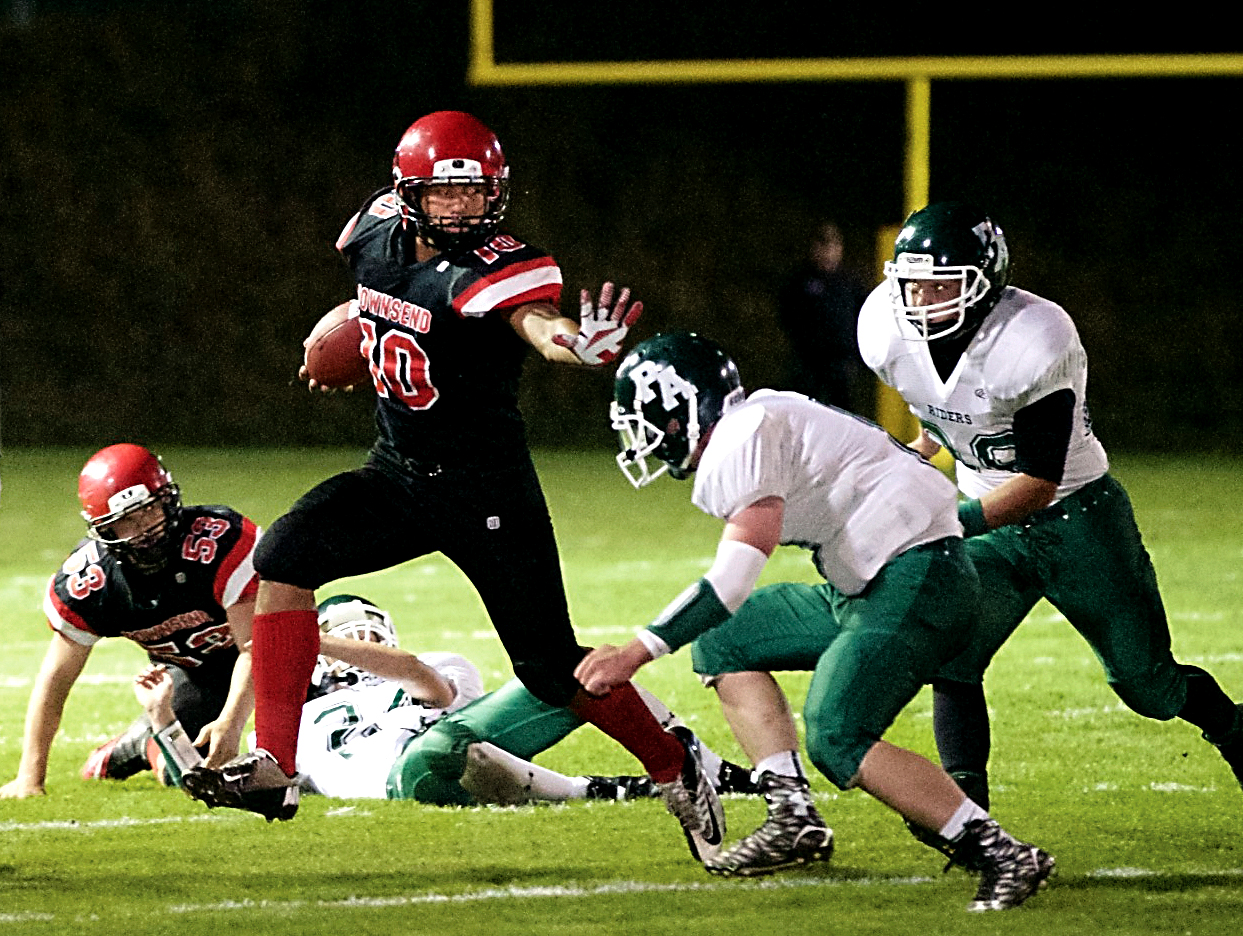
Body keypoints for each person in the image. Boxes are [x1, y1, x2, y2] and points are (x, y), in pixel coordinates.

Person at [181, 111, 723, 858]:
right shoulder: (371, 230)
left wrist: (574, 343)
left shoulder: (502, 267)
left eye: (478, 194)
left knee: (547, 666)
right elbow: (374, 302)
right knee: (283, 557)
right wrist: (344, 339)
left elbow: (537, 321)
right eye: (446, 194)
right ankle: (277, 766)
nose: (464, 208)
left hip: (485, 491)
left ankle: (673, 762)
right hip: (397, 472)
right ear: (407, 192)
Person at [575, 331, 1055, 912]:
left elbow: (731, 578)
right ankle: (792, 816)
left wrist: (636, 652)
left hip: (917, 577)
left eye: (647, 418)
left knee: (837, 734)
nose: (645, 438)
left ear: (680, 406)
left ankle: (1002, 852)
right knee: (726, 638)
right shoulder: (762, 416)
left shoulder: (743, 435)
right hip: (873, 579)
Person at [856, 200, 1243, 810]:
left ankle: (1233, 730)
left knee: (1148, 685)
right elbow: (940, 409)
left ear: (987, 283)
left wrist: (940, 522)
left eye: (941, 287)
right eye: (913, 286)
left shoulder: (1033, 338)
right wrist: (915, 457)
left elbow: (1039, 480)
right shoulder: (883, 329)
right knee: (953, 654)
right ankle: (967, 818)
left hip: (1076, 515)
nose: (923, 302)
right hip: (987, 513)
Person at [162, 594, 755, 806]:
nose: (357, 645)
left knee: (579, 670)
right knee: (438, 751)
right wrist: (161, 725)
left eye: (365, 632)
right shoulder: (289, 717)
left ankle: (703, 764)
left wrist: (310, 637)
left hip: (451, 746)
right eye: (346, 634)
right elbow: (208, 778)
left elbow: (422, 678)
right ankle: (590, 789)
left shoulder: (430, 665)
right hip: (406, 777)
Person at [0, 444, 259, 799]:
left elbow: (257, 647)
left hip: (266, 657)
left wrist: (230, 724)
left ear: (166, 499)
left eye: (149, 509)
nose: (146, 527)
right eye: (127, 520)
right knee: (188, 772)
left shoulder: (218, 541)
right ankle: (140, 745)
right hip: (198, 678)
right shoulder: (91, 582)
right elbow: (56, 680)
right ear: (104, 529)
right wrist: (30, 779)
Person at [776, 220, 871, 416]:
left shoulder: (850, 282)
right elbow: (787, 314)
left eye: (833, 245)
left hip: (841, 362)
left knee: (844, 413)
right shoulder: (800, 280)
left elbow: (863, 316)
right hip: (808, 361)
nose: (828, 252)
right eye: (822, 245)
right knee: (804, 410)